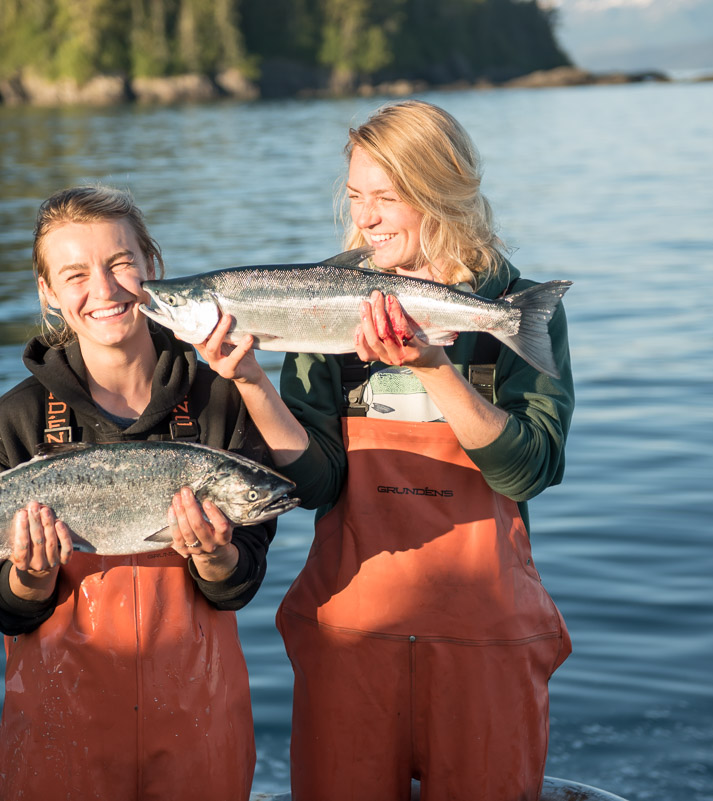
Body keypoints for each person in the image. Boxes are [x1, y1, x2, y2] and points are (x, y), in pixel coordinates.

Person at [194, 99, 574, 800]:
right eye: (355, 197)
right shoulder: (318, 301)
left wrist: (435, 367)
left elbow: (532, 468)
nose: (364, 217)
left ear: (441, 192)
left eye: (386, 198)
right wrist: (247, 379)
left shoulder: (513, 309)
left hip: (486, 641)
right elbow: (316, 485)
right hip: (351, 635)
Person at [0, 185, 275, 800]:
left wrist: (215, 556)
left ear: (152, 270)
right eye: (75, 274)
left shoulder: (221, 397)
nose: (104, 290)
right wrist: (30, 576)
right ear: (50, 295)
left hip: (199, 726)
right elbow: (7, 608)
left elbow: (241, 582)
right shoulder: (20, 419)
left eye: (120, 265)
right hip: (59, 732)